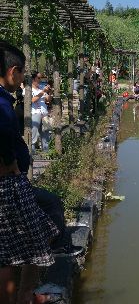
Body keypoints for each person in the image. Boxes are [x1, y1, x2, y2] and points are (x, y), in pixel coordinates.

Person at [0, 41, 60, 304]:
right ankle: (23, 295)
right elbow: (2, 135)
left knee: (11, 248)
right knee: (34, 234)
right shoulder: (2, 103)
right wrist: (11, 161)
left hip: (11, 180)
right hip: (8, 183)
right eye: (22, 72)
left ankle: (23, 294)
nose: (23, 78)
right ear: (12, 71)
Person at [30, 72, 52, 153]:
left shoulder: (41, 88)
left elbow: (48, 100)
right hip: (35, 113)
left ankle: (46, 152)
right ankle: (32, 153)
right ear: (33, 79)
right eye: (38, 78)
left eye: (40, 78)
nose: (40, 80)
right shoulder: (28, 89)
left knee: (45, 134)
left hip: (44, 114)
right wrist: (43, 92)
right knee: (34, 134)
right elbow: (32, 100)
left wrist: (50, 92)